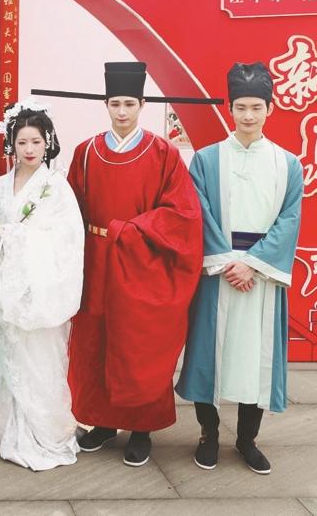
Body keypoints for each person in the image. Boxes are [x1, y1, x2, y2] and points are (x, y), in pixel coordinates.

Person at [62, 62, 205, 468]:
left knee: (139, 346)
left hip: (142, 262)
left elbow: (182, 213)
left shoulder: (163, 153)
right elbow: (70, 210)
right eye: (115, 104)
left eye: (129, 103)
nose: (122, 111)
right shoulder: (86, 152)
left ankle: (142, 429)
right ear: (106, 105)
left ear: (142, 105)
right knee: (97, 341)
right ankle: (103, 422)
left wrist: (131, 230)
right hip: (96, 262)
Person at [176, 63, 304, 475]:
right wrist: (228, 262)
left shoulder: (288, 164)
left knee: (255, 359)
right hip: (218, 273)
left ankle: (247, 440)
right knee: (207, 356)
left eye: (256, 107)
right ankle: (208, 435)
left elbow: (289, 219)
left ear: (270, 108)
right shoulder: (206, 160)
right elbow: (198, 213)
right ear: (229, 109)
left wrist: (252, 265)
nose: (249, 115)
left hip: (261, 277)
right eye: (241, 107)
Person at [0, 100, 84, 471]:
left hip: (39, 289)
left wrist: (20, 238)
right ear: (11, 144)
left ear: (48, 143)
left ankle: (42, 432)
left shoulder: (56, 187)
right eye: (22, 142)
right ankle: (3, 428)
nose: (29, 150)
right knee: (4, 359)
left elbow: (68, 238)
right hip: (3, 287)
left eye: (36, 142)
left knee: (39, 362)